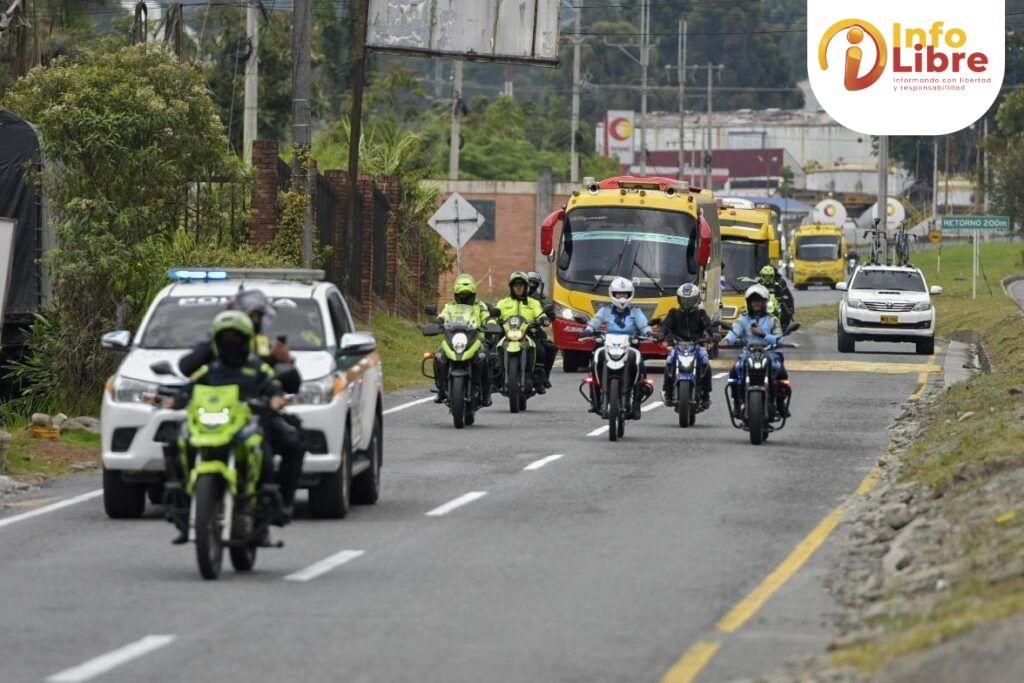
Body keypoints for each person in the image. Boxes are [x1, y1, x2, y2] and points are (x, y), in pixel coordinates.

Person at [177, 288, 305, 513]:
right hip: (217, 409)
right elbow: (188, 371)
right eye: (252, 315)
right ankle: (183, 498)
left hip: (255, 411)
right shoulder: (214, 346)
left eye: (257, 316)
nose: (256, 321)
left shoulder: (264, 345)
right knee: (175, 439)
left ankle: (279, 502)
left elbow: (278, 379)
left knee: (293, 439)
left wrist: (285, 364)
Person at [171, 311, 289, 544]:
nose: (231, 344)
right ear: (216, 342)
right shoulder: (209, 369)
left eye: (236, 338)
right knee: (177, 441)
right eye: (225, 339)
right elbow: (188, 387)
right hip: (211, 425)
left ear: (247, 340)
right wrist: (175, 398)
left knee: (264, 453)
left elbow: (273, 386)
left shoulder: (257, 368)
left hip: (244, 425)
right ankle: (184, 507)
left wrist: (275, 398)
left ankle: (261, 516)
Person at [583, 277, 653, 416]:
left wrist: (648, 332)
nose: (622, 297)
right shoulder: (605, 310)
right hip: (607, 343)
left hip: (630, 344)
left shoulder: (635, 311)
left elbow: (644, 325)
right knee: (594, 362)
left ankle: (636, 404)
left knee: (641, 367)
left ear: (630, 295)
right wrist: (589, 329)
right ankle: (594, 399)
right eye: (619, 294)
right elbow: (595, 321)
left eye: (625, 294)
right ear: (612, 294)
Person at [718, 284, 791, 417]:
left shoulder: (772, 320)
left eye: (759, 301)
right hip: (748, 354)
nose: (756, 304)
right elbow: (734, 332)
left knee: (781, 373)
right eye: (753, 301)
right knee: (734, 372)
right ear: (748, 303)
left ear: (764, 302)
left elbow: (779, 339)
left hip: (769, 354)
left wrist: (763, 334)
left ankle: (780, 404)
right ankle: (736, 403)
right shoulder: (743, 319)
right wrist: (726, 341)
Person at [432, 274, 493, 406]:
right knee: (439, 356)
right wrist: (438, 321)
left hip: (476, 340)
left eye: (468, 296)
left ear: (474, 295)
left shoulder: (480, 306)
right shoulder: (449, 307)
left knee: (485, 357)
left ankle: (486, 393)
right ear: (456, 295)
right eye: (461, 296)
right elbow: (442, 316)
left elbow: (488, 317)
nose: (464, 299)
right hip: (452, 341)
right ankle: (441, 390)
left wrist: (490, 323)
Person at [658, 283, 716, 408]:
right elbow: (666, 325)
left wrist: (711, 335)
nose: (687, 303)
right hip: (678, 345)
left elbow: (708, 325)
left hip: (696, 346)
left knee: (706, 363)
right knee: (669, 362)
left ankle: (706, 395)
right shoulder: (674, 313)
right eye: (684, 300)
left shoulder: (701, 314)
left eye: (690, 300)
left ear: (696, 299)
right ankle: (668, 392)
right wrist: (663, 335)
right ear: (679, 299)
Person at [495, 271, 550, 394]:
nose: (518, 288)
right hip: (507, 334)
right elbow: (494, 314)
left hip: (528, 333)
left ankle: (539, 379)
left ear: (526, 287)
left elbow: (541, 314)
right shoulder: (503, 302)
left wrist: (543, 319)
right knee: (492, 350)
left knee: (541, 350)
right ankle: (494, 378)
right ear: (511, 287)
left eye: (521, 285)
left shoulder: (533, 302)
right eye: (516, 285)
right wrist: (492, 319)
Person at [526, 270, 557, 384]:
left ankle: (544, 377)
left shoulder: (537, 300)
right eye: (528, 283)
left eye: (533, 284)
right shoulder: (511, 298)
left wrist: (549, 315)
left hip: (532, 330)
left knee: (549, 348)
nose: (530, 286)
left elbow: (546, 313)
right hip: (513, 330)